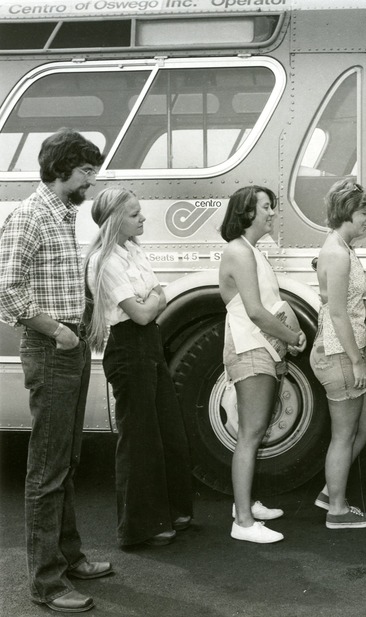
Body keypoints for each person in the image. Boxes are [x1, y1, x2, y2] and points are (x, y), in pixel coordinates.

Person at [0, 129, 110, 613]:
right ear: (62, 169)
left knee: (66, 460)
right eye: (86, 172)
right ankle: (46, 584)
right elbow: (6, 290)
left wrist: (83, 327)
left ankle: (69, 557)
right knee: (47, 468)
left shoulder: (60, 215)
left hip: (71, 344)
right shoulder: (29, 217)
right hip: (51, 348)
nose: (92, 180)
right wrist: (59, 332)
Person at [84, 188, 194, 548]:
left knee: (168, 430)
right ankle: (139, 528)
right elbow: (145, 310)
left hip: (148, 344)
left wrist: (151, 299)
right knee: (139, 440)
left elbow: (157, 297)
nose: (143, 218)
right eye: (134, 214)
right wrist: (152, 299)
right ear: (116, 220)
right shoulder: (104, 260)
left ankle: (172, 512)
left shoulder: (132, 251)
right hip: (129, 348)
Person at [219, 186, 307, 544]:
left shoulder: (251, 251)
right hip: (249, 348)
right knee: (251, 434)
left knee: (254, 432)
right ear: (247, 212)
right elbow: (255, 311)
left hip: (261, 349)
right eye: (266, 207)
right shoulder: (239, 252)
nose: (272, 213)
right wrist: (291, 337)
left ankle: (247, 505)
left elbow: (272, 304)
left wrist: (289, 336)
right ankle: (242, 521)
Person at [310, 180, 366, 529]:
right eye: (365, 213)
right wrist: (356, 361)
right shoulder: (337, 253)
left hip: (344, 350)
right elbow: (337, 312)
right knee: (344, 433)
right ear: (346, 213)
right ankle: (336, 509)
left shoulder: (342, 247)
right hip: (340, 354)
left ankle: (330, 491)